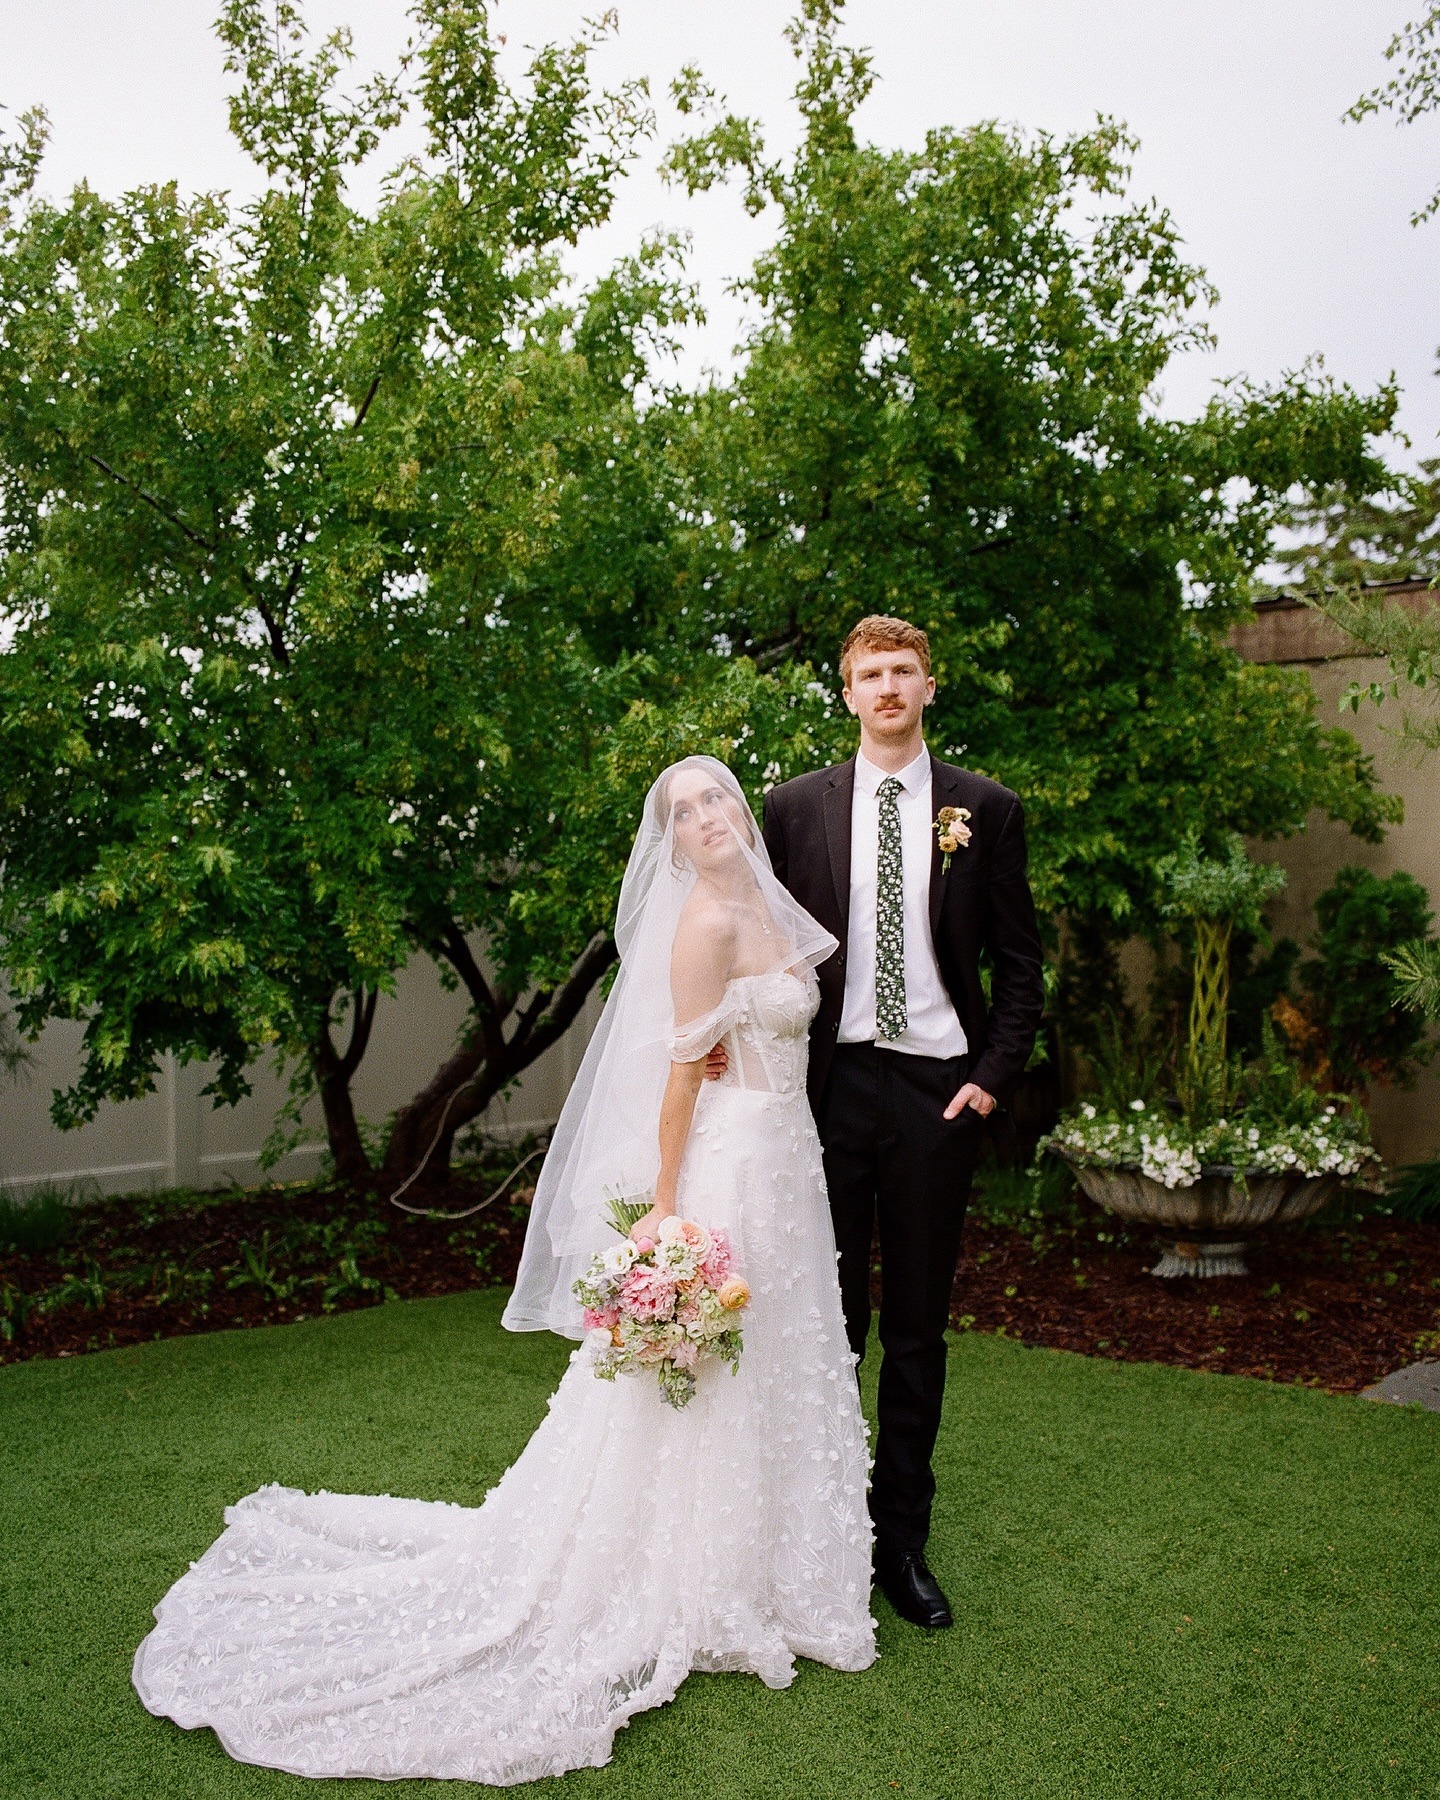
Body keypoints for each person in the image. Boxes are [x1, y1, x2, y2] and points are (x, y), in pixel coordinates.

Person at [132, 757, 875, 1787]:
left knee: (784, 1352)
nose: (707, 818)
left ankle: (782, 1565)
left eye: (716, 798)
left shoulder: (767, 896)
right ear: (667, 840)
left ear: (741, 810)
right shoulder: (705, 924)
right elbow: (677, 1078)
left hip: (790, 1161)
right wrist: (666, 1210)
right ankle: (694, 1578)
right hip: (731, 1163)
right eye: (682, 810)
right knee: (713, 1370)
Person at [760, 615, 1044, 1630]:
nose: (887, 688)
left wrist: (992, 1078)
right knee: (829, 1321)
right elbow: (761, 950)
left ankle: (901, 1545)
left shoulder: (987, 809)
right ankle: (820, 1535)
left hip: (937, 1093)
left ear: (930, 687)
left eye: (903, 673)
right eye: (868, 674)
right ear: (846, 693)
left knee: (917, 1328)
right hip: (826, 1093)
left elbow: (1021, 964)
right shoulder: (790, 809)